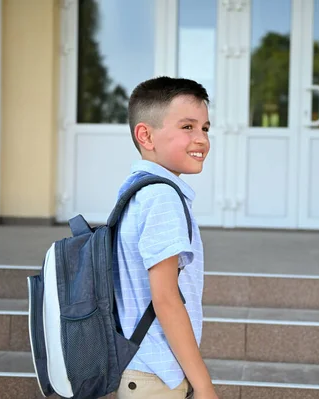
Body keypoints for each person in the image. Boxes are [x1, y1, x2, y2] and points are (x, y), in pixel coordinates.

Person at [113, 76, 218, 399]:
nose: (201, 139)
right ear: (146, 135)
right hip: (155, 376)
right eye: (187, 127)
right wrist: (203, 386)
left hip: (141, 366)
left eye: (205, 128)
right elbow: (166, 300)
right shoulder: (162, 198)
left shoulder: (137, 189)